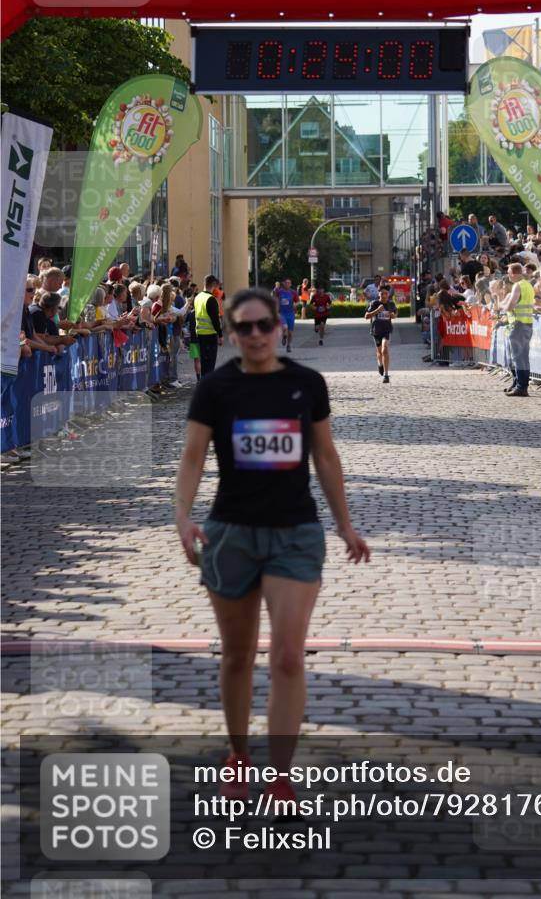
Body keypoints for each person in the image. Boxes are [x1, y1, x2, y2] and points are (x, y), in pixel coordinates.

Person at [175, 287, 369, 804]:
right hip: (231, 533)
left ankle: (280, 775)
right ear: (232, 332)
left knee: (286, 656)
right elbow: (193, 458)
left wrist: (345, 525)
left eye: (265, 326)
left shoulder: (307, 384)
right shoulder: (215, 389)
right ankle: (238, 755)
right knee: (238, 656)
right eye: (245, 328)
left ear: (281, 328)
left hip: (295, 533)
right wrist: (181, 515)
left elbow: (325, 458)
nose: (256, 335)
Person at [501, 262, 535, 397]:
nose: (508, 274)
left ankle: (521, 387)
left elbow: (510, 305)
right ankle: (518, 384)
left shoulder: (517, 285)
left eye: (509, 272)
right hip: (527, 324)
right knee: (523, 357)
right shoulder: (528, 285)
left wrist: (505, 307)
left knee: (517, 358)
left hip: (518, 325)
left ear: (514, 273)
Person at [194, 275, 224, 377]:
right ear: (214, 285)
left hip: (200, 334)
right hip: (210, 335)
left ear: (204, 283)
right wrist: (220, 335)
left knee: (204, 363)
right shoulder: (211, 299)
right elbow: (215, 320)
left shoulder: (197, 297)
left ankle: (204, 385)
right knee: (210, 364)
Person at [365, 284, 396, 384]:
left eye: (386, 293)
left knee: (385, 350)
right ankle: (380, 364)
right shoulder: (374, 303)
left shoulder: (391, 304)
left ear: (388, 294)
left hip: (387, 330)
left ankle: (386, 375)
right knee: (379, 352)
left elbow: (395, 314)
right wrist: (377, 310)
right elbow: (366, 316)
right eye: (382, 293)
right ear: (379, 294)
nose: (384, 295)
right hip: (376, 330)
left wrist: (393, 315)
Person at [276, 278, 298, 353]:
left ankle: (288, 345)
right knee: (285, 327)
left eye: (289, 283)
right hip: (282, 313)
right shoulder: (279, 291)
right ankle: (284, 336)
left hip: (291, 314)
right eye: (286, 283)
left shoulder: (293, 292)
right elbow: (275, 300)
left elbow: (297, 301)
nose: (288, 284)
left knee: (290, 333)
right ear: (284, 284)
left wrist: (296, 305)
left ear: (291, 284)